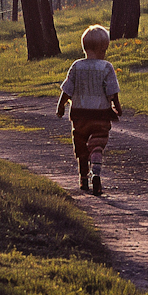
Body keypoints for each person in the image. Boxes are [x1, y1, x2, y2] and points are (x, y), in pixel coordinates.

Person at [57, 24, 122, 195]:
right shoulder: (106, 67)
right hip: (100, 115)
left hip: (79, 114)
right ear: (102, 48)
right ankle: (97, 173)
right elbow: (112, 92)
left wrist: (60, 106)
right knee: (97, 145)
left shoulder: (77, 66)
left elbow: (67, 90)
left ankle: (83, 179)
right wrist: (117, 107)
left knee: (81, 147)